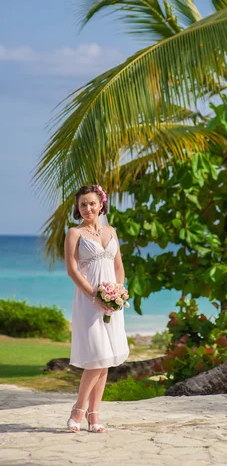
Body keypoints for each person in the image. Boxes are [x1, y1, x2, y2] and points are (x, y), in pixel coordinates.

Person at [65, 184, 129, 433]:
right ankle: (78, 411)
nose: (87, 208)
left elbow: (119, 266)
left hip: (112, 302)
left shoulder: (111, 231)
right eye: (82, 204)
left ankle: (94, 415)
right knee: (96, 357)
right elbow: (71, 270)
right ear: (78, 208)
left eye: (92, 203)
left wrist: (118, 293)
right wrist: (96, 295)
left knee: (106, 358)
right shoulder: (74, 233)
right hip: (88, 300)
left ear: (101, 203)